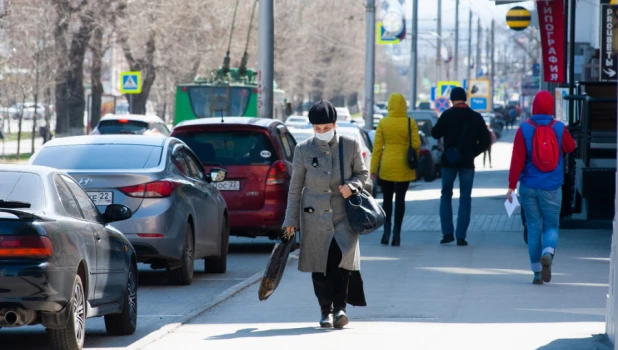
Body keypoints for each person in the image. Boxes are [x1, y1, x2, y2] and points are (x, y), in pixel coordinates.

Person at [282, 100, 368, 329]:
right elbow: (295, 188)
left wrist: (353, 186)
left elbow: (362, 173)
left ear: (334, 124)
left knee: (342, 264)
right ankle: (325, 311)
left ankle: (340, 309)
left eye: (326, 128)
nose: (322, 132)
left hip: (344, 217)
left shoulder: (349, 145)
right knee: (320, 266)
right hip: (314, 218)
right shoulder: (303, 150)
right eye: (317, 129)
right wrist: (290, 221)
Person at [507, 90, 576, 285]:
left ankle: (537, 273)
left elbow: (517, 160)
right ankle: (548, 253)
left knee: (534, 227)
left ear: (534, 106)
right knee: (551, 226)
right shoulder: (559, 127)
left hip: (528, 186)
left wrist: (512, 185)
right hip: (552, 187)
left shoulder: (524, 129)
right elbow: (571, 147)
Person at [431, 87, 491, 246]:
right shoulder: (476, 117)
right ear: (465, 98)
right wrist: (473, 153)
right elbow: (486, 141)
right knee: (465, 198)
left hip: (449, 162)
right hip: (467, 164)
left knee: (446, 196)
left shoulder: (447, 115)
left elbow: (435, 133)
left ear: (452, 99)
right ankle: (461, 236)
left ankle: (447, 233)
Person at [370, 93, 420, 246]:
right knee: (400, 200)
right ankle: (397, 235)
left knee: (386, 200)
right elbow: (416, 144)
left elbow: (377, 148)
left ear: (390, 105)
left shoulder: (383, 123)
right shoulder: (410, 122)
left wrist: (373, 169)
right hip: (404, 166)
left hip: (387, 166)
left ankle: (386, 232)